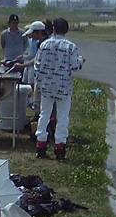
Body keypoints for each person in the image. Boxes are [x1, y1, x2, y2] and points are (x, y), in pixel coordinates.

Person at [34, 18, 85, 160]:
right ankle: (59, 146)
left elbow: (37, 65)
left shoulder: (44, 45)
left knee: (44, 115)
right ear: (67, 30)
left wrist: (40, 80)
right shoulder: (70, 47)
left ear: (53, 29)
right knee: (62, 117)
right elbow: (75, 66)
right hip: (63, 87)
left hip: (46, 86)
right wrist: (81, 61)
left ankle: (41, 144)